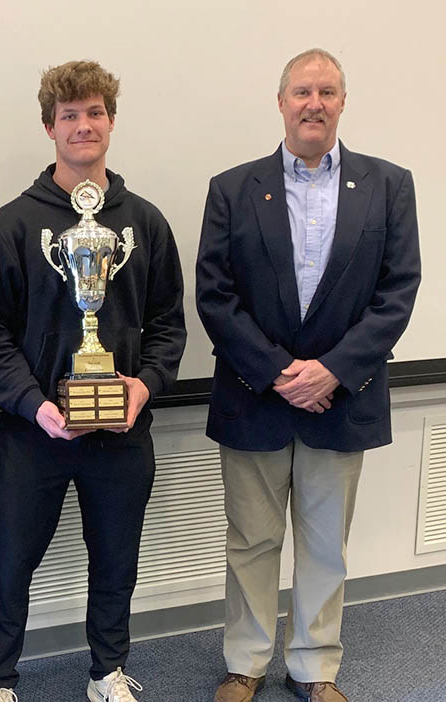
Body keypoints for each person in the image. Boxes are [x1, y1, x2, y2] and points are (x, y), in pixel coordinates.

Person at [196, 49, 421, 702]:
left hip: (340, 400)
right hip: (252, 396)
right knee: (252, 542)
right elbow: (215, 293)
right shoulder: (234, 188)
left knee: (325, 545)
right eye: (302, 91)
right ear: (282, 102)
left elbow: (397, 291)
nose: (313, 103)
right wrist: (275, 372)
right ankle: (246, 662)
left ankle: (315, 668)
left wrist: (333, 371)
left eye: (326, 91)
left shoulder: (388, 185)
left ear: (343, 101)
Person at [0, 60, 186, 702]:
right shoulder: (12, 225)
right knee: (12, 561)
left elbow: (169, 327)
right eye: (70, 115)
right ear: (50, 127)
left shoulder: (143, 223)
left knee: (116, 559)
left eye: (95, 112)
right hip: (34, 432)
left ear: (112, 122)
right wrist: (36, 406)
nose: (84, 125)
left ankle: (106, 671)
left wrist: (142, 389)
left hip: (122, 432)